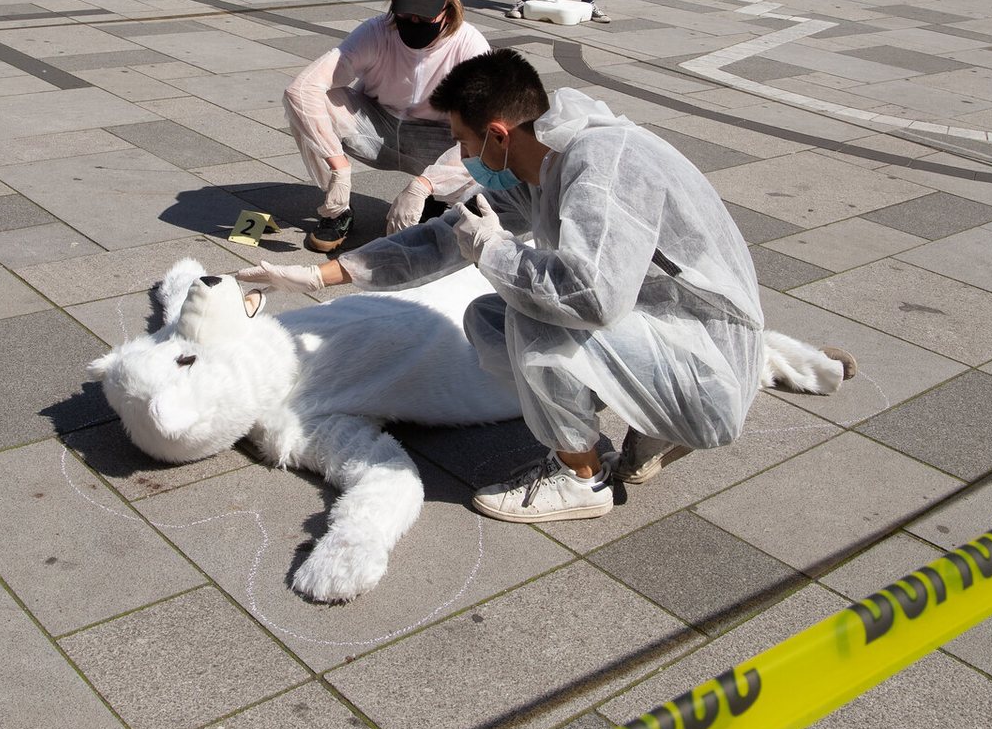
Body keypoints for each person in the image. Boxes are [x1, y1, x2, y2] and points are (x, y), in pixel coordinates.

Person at [239, 50, 797, 523]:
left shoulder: (604, 169)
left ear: (499, 135)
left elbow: (590, 298)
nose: (462, 159)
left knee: (533, 313)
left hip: (710, 367)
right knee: (490, 317)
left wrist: (495, 250)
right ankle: (654, 428)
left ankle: (582, 479)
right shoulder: (544, 161)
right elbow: (441, 238)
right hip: (673, 336)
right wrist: (317, 276)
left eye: (462, 142)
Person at [284, 0, 491, 253]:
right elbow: (302, 89)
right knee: (308, 101)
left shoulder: (469, 46)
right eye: (406, 15)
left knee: (485, 146)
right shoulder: (376, 31)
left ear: (448, 7)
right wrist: (337, 166)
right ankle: (337, 210)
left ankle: (436, 201)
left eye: (424, 17)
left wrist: (424, 185)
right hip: (375, 127)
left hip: (435, 140)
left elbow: (486, 134)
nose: (414, 23)